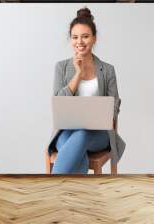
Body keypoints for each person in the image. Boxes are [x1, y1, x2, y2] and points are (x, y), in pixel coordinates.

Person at [47, 7, 125, 174]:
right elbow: (58, 101)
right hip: (66, 132)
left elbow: (114, 105)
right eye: (75, 37)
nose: (79, 42)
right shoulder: (61, 67)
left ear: (94, 38)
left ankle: (51, 190)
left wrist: (107, 117)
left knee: (81, 135)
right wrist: (78, 74)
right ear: (71, 39)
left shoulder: (108, 69)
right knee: (78, 145)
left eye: (85, 36)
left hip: (99, 134)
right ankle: (77, 196)